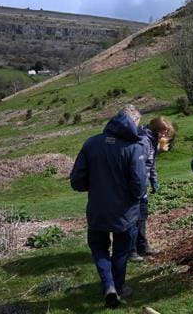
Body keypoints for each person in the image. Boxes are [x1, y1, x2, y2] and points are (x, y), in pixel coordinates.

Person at [70, 104, 146, 308]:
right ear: (132, 123)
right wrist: (135, 198)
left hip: (98, 208)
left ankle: (109, 286)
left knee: (99, 248)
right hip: (125, 211)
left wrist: (96, 187)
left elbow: (76, 180)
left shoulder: (91, 143)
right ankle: (118, 288)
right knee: (121, 251)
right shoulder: (134, 148)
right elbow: (139, 184)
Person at [129, 116, 175, 262]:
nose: (164, 135)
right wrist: (139, 185)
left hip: (143, 185)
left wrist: (153, 180)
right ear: (155, 129)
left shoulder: (153, 141)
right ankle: (131, 251)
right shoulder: (144, 141)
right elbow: (138, 166)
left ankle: (142, 246)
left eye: (166, 132)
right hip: (135, 185)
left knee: (142, 216)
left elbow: (151, 163)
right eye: (162, 132)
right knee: (133, 219)